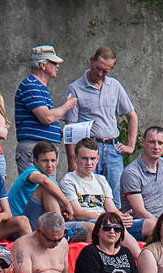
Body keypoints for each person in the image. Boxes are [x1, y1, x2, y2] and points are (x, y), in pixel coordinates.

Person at [62, 47, 136, 205]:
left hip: (113, 148)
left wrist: (131, 144)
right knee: (87, 195)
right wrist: (72, 160)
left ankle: (114, 221)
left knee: (114, 196)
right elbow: (70, 128)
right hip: (89, 148)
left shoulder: (114, 85)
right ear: (91, 60)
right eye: (98, 68)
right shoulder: (75, 88)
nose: (101, 74)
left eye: (106, 71)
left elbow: (132, 115)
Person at [13, 45, 77, 174]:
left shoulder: (40, 87)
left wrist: (58, 131)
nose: (57, 66)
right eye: (54, 63)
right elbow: (46, 117)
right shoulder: (31, 85)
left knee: (47, 186)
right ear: (42, 65)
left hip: (45, 150)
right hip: (35, 149)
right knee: (36, 187)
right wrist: (67, 106)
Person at [59, 139, 132, 238]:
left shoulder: (101, 180)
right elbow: (78, 214)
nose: (89, 163)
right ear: (75, 158)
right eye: (84, 158)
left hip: (106, 222)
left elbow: (112, 209)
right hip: (83, 224)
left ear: (98, 159)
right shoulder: (68, 181)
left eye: (92, 159)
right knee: (112, 227)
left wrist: (123, 217)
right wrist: (109, 219)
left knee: (148, 224)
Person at [6, 141, 75, 230]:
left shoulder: (52, 181)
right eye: (45, 161)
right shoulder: (30, 172)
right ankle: (61, 230)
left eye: (53, 161)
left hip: (36, 222)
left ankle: (61, 228)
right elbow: (45, 181)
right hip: (19, 224)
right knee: (45, 189)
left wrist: (64, 213)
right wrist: (67, 203)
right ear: (35, 161)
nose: (49, 165)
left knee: (89, 226)